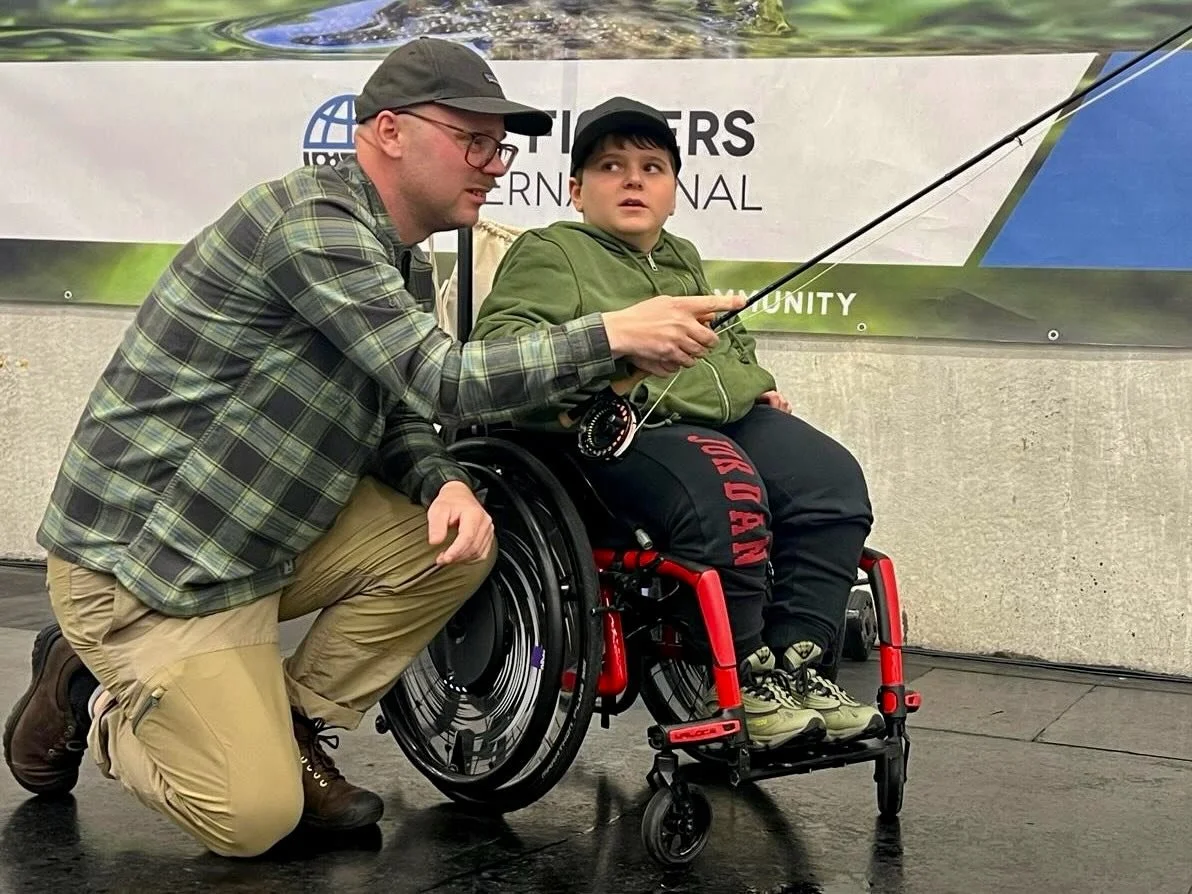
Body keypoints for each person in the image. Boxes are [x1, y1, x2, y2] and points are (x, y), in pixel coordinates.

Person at [2, 44, 744, 859]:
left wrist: (444, 485)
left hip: (256, 543)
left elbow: (401, 412)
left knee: (460, 544)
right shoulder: (311, 223)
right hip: (145, 570)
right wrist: (610, 334)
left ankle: (289, 722)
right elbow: (442, 376)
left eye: (499, 147)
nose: (494, 165)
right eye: (473, 141)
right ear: (389, 132)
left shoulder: (400, 258)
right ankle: (91, 693)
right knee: (253, 820)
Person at [469, 96, 884, 751]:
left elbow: (728, 337)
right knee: (726, 483)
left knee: (830, 479)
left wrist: (757, 384)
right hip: (611, 432)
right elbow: (499, 351)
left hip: (721, 422)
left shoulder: (680, 255)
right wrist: (617, 349)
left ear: (673, 193)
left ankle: (797, 671)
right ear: (576, 190)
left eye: (652, 168)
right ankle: (740, 682)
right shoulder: (553, 252)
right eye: (611, 166)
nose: (633, 180)